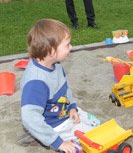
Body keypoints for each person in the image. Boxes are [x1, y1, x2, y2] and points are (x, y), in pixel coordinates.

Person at [20, 19, 101, 152]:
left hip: (65, 112)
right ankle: (41, 135)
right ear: (51, 51)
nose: (71, 47)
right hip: (54, 125)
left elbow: (64, 88)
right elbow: (29, 117)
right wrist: (58, 143)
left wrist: (72, 106)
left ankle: (38, 135)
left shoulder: (55, 65)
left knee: (97, 125)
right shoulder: (36, 82)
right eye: (67, 45)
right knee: (82, 147)